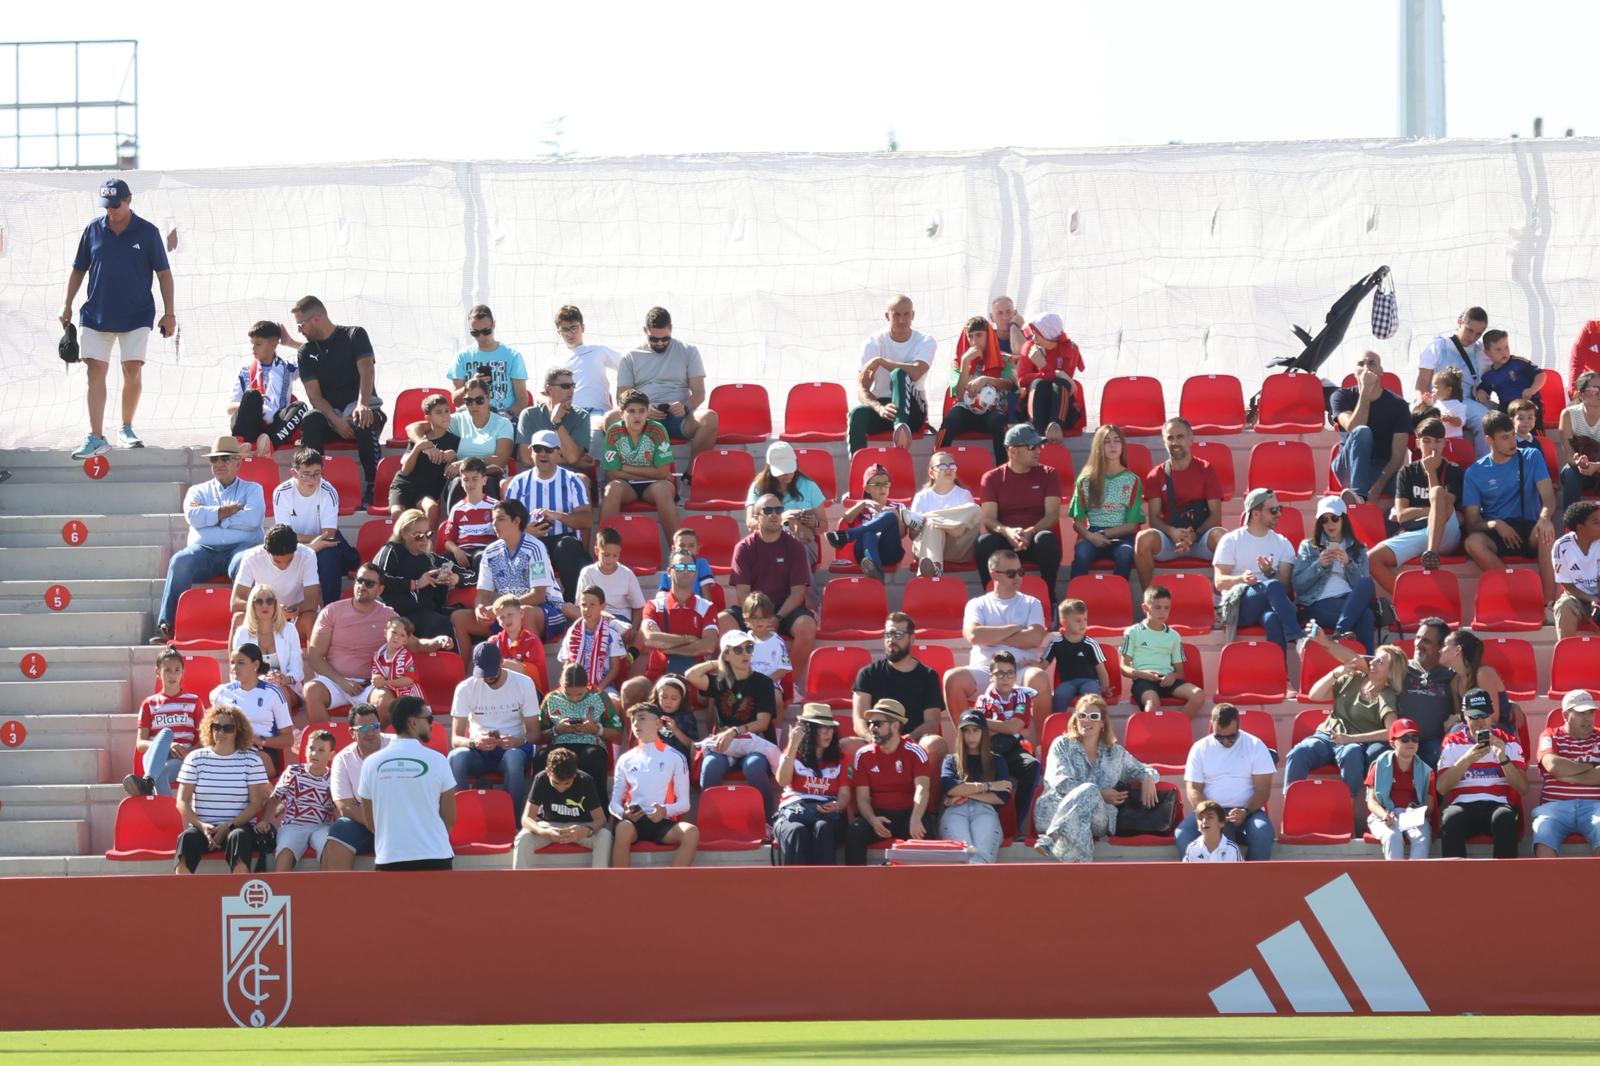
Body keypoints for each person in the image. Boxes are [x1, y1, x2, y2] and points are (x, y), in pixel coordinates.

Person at [61, 177, 174, 459]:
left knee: (132, 369)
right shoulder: (93, 229)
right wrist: (67, 305)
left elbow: (163, 273)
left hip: (137, 314)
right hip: (96, 313)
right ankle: (96, 436)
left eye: (116, 205)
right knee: (94, 371)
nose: (111, 211)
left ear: (129, 200)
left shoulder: (148, 232)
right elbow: (78, 269)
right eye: (107, 206)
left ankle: (126, 428)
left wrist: (169, 313)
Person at [150, 436, 265, 645]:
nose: (219, 464)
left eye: (225, 458)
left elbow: (253, 518)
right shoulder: (197, 490)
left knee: (247, 561)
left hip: (241, 548)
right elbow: (193, 517)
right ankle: (166, 625)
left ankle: (253, 628)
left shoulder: (253, 489)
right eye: (214, 460)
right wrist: (226, 512)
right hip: (204, 550)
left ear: (238, 462)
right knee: (179, 561)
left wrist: (213, 518)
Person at [303, 562, 450, 724]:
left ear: (380, 589)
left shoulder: (388, 615)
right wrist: (343, 682)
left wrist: (438, 641)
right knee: (311, 690)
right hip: (336, 681)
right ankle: (325, 742)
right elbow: (315, 657)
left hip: (370, 684)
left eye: (369, 583)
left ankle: (378, 745)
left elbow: (414, 644)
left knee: (385, 701)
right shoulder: (331, 611)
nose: (362, 586)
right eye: (359, 580)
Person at [286, 295, 388, 509]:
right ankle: (313, 484)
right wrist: (335, 420)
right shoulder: (306, 352)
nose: (299, 331)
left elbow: (367, 371)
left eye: (301, 325)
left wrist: (362, 404)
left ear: (316, 318)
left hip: (360, 412)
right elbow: (314, 395)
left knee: (364, 417)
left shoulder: (354, 335)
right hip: (331, 417)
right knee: (310, 419)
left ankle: (373, 486)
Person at [1034, 693, 1159, 863]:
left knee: (1089, 793)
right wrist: (1099, 793)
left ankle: (1053, 838)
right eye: (1082, 715)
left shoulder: (1115, 753)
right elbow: (1062, 784)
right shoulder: (1062, 745)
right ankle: (1082, 871)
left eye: (1093, 716)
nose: (1087, 720)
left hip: (1098, 818)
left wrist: (1148, 778)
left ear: (1102, 723)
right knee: (1087, 799)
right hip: (1052, 811)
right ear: (1075, 719)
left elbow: (1144, 769)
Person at [720, 493, 817, 691]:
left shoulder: (795, 546)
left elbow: (798, 592)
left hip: (785, 609)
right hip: (753, 608)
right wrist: (757, 619)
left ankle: (789, 685)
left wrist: (776, 618)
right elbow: (742, 592)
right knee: (723, 620)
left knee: (807, 625)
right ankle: (736, 681)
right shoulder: (744, 548)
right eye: (768, 510)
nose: (774, 515)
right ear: (755, 517)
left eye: (778, 510)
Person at [942, 549, 1049, 723]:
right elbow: (974, 635)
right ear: (994, 575)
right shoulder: (977, 604)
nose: (1018, 577)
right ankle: (966, 741)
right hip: (985, 670)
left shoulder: (1032, 602)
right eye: (1011, 573)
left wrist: (990, 635)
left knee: (1039, 678)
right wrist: (1015, 628)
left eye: (1020, 572)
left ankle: (1043, 746)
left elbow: (1035, 638)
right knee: (952, 679)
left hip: (1020, 669)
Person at [1461, 411, 1558, 603]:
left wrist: (1545, 518)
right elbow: (1472, 524)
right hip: (1497, 533)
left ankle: (1549, 604)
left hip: (1529, 527)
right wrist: (1495, 524)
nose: (1512, 441)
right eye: (1505, 437)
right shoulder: (1474, 472)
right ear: (1489, 440)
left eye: (1513, 434)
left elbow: (1548, 498)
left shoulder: (1532, 456)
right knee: (1472, 543)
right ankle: (1518, 592)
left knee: (1546, 533)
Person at [1284, 644, 1404, 798]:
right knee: (1299, 753)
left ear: (1390, 673)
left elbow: (1391, 732)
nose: (1372, 663)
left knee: (1352, 753)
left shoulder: (1387, 695)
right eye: (1374, 659)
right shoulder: (1352, 678)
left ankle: (1348, 808)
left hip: (1353, 742)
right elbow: (1315, 695)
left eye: (1380, 662)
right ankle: (1290, 803)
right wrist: (1336, 673)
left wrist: (1351, 739)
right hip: (1327, 735)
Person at [358, 695, 457, 871]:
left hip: (389, 857)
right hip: (435, 856)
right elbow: (449, 816)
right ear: (412, 722)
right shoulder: (439, 760)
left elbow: (370, 821)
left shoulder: (370, 763)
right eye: (428, 718)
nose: (432, 724)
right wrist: (434, 840)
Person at [687, 630, 781, 813]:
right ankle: (710, 820)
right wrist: (718, 662)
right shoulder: (720, 681)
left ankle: (768, 819)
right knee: (711, 766)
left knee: (753, 766)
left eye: (749, 647)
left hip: (755, 743)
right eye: (738, 650)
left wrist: (734, 731)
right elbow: (691, 675)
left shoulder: (763, 683)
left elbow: (762, 723)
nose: (745, 653)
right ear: (727, 654)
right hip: (726, 746)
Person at [458, 499, 566, 657]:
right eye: (493, 519)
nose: (494, 524)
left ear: (516, 521)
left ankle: (536, 674)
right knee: (459, 618)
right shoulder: (490, 552)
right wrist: (479, 608)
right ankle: (464, 678)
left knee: (524, 612)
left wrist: (501, 609)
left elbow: (538, 595)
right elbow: (483, 594)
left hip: (547, 610)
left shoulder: (535, 547)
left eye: (500, 519)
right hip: (505, 613)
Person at [1367, 418, 1464, 593]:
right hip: (1418, 531)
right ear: (1418, 443)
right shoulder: (1407, 471)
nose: (1432, 446)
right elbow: (1402, 514)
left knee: (1437, 493)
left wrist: (1430, 472)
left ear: (1444, 443)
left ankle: (1432, 554)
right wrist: (1433, 511)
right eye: (1426, 441)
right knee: (1371, 559)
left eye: (1437, 441)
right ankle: (1408, 599)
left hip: (1447, 533)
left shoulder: (1455, 471)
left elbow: (1445, 505)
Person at [612, 306, 719, 460]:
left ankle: (693, 474)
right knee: (611, 418)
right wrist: (644, 409)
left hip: (680, 417)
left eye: (665, 338)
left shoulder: (688, 350)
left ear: (671, 329)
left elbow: (699, 392)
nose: (660, 343)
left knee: (710, 418)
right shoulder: (630, 356)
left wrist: (684, 407)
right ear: (645, 330)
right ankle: (624, 471)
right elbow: (622, 397)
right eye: (654, 339)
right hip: (642, 418)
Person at [173, 704, 269, 874]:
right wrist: (202, 826)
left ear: (238, 731)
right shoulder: (194, 758)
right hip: (203, 827)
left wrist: (228, 826)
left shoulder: (252, 760)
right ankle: (184, 896)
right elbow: (182, 801)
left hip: (238, 827)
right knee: (186, 839)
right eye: (216, 727)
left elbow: (256, 804)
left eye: (228, 728)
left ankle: (240, 894)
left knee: (238, 837)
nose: (220, 732)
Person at [1173, 703, 1276, 861]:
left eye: (1231, 737)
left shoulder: (1255, 745)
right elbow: (1193, 789)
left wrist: (1245, 810)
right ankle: (1197, 880)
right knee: (1182, 834)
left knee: (1263, 832)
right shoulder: (1200, 748)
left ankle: (1254, 881)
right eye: (1219, 737)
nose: (1226, 742)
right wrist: (1210, 814)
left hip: (1248, 811)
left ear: (1238, 726)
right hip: (1209, 810)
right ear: (1212, 726)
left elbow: (1263, 790)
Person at [449, 642, 540, 818]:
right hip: (479, 751)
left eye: (491, 672)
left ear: (501, 662)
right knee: (455, 757)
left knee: (513, 757)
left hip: (514, 749)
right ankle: (460, 818)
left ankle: (511, 820)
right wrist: (475, 742)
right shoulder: (465, 688)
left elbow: (534, 733)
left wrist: (517, 740)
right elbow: (455, 739)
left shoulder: (523, 683)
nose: (488, 678)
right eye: (483, 674)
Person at [1133, 417, 1226, 590]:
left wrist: (1194, 535)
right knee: (1142, 539)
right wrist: (1172, 532)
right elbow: (1153, 519)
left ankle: (1220, 600)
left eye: (1180, 436)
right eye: (1170, 438)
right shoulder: (1156, 475)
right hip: (1169, 539)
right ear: (1163, 442)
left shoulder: (1206, 469)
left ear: (1191, 439)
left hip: (1200, 538)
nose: (1175, 442)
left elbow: (1215, 516)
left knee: (1223, 536)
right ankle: (1150, 600)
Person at [502, 429, 593, 602]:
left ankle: (571, 603)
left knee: (567, 546)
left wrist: (559, 516)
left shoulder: (573, 480)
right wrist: (523, 531)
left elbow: (587, 521)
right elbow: (504, 523)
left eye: (549, 450)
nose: (543, 454)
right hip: (530, 542)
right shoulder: (518, 483)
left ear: (559, 452)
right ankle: (532, 605)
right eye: (538, 449)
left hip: (564, 542)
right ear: (531, 452)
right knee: (530, 549)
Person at [1436, 687, 1528, 859]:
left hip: (1498, 804)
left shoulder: (1508, 741)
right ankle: (1454, 882)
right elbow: (1441, 787)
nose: (1480, 722)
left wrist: (1503, 757)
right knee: (1451, 819)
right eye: (1474, 717)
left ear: (1492, 715)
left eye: (1484, 716)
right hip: (1463, 805)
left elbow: (1523, 788)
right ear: (1464, 717)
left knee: (1505, 818)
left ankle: (1504, 883)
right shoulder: (1452, 742)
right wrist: (1467, 759)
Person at [976, 423, 1064, 601]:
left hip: (1035, 537)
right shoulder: (992, 478)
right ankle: (990, 596)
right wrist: (1008, 532)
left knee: (1046, 539)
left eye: (1039, 445)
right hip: (1006, 539)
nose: (1038, 451)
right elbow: (989, 519)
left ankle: (1050, 598)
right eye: (1032, 447)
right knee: (984, 543)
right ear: (1013, 451)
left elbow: (1052, 515)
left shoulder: (1049, 474)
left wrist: (1030, 532)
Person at [1214, 487, 1305, 652]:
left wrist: (1270, 572)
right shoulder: (1231, 540)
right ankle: (1297, 637)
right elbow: (1219, 582)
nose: (1279, 514)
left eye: (1280, 509)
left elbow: (1285, 586)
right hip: (1239, 606)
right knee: (1271, 585)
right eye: (1273, 510)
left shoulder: (1282, 542)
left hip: (1269, 605)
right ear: (1255, 514)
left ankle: (1281, 674)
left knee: (1273, 619)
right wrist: (1241, 579)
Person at [624, 549, 719, 705]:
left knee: (718, 693)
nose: (687, 571)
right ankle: (632, 730)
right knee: (630, 689)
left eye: (691, 567)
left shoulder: (706, 607)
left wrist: (668, 647)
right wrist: (690, 640)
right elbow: (650, 638)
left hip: (694, 678)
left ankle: (714, 731)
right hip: (658, 676)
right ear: (669, 572)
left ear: (695, 573)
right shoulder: (654, 605)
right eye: (680, 567)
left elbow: (708, 646)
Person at [844, 699, 933, 865]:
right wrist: (872, 820)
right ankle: (855, 886)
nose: (872, 728)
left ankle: (923, 888)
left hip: (910, 813)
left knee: (924, 833)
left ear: (895, 726)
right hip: (878, 815)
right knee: (855, 830)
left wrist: (915, 819)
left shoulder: (915, 751)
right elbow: (862, 797)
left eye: (877, 723)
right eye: (870, 723)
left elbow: (922, 789)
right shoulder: (863, 755)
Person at [610, 702, 698, 867]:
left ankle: (673, 886)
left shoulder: (675, 757)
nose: (636, 724)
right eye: (634, 720)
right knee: (622, 829)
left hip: (662, 820)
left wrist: (665, 810)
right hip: (634, 823)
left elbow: (684, 804)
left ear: (658, 723)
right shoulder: (625, 759)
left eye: (641, 718)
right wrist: (624, 814)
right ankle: (620, 887)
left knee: (691, 832)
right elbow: (614, 803)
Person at [853, 613, 947, 765]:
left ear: (912, 639)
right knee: (847, 746)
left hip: (912, 742)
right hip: (876, 740)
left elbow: (932, 723)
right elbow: (859, 721)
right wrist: (873, 739)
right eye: (888, 634)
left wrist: (904, 740)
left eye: (898, 634)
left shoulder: (928, 676)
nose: (892, 640)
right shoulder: (868, 674)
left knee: (936, 744)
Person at [272, 447, 361, 608]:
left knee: (329, 556)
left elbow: (330, 534)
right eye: (306, 474)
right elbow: (284, 535)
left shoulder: (328, 491)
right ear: (294, 472)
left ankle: (330, 608)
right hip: (297, 543)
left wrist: (309, 541)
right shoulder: (282, 492)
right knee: (282, 552)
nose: (312, 479)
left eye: (317, 473)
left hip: (325, 541)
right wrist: (312, 545)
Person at [847, 294, 933, 454]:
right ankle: (858, 470)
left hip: (913, 411)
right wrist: (879, 408)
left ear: (913, 315)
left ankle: (900, 427)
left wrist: (881, 361)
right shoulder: (873, 342)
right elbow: (861, 388)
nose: (902, 320)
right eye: (896, 315)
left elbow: (916, 372)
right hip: (886, 408)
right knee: (857, 414)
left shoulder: (925, 341)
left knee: (899, 373)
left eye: (906, 314)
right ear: (887, 316)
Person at [1292, 496, 1378, 653]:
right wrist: (1319, 565)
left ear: (1343, 519)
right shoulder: (1309, 546)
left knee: (1366, 584)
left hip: (1349, 599)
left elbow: (1362, 588)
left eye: (1334, 518)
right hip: (1318, 602)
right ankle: (1369, 668)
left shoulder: (1359, 549)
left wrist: (1348, 564)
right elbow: (1298, 585)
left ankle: (1341, 631)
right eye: (1324, 520)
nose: (1330, 524)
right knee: (1366, 616)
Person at [772, 703, 852, 865]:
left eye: (831, 729)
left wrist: (838, 805)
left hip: (826, 813)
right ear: (810, 730)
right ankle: (796, 886)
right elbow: (782, 781)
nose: (829, 733)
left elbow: (844, 794)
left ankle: (823, 885)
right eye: (823, 729)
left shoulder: (840, 759)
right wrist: (793, 746)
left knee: (824, 827)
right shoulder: (792, 752)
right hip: (793, 812)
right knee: (797, 831)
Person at [420, 376, 513, 513]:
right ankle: (454, 527)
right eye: (468, 401)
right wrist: (423, 444)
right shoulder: (458, 420)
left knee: (484, 484)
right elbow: (414, 427)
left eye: (479, 400)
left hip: (489, 475)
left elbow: (501, 460)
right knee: (458, 483)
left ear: (488, 398)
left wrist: (465, 463)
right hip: (461, 478)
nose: (473, 405)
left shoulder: (503, 423)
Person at [1329, 351, 1412, 503]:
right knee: (1362, 431)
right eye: (1361, 364)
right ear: (1355, 372)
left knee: (1411, 492)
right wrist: (1366, 390)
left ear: (1381, 371)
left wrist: (1378, 486)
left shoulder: (1398, 405)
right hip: (1348, 466)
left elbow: (1398, 456)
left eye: (1372, 363)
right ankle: (1359, 496)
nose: (1366, 368)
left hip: (1380, 470)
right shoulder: (1340, 396)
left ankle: (1395, 525)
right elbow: (1353, 427)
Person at [513, 746, 612, 868]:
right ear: (548, 771)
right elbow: (526, 819)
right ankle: (520, 885)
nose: (561, 788)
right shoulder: (541, 779)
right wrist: (543, 832)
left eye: (567, 783)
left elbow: (601, 819)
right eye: (556, 782)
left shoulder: (585, 780)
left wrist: (586, 830)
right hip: (549, 826)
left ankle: (600, 882)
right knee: (523, 838)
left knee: (605, 836)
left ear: (575, 774)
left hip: (580, 827)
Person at [123, 647, 204, 798]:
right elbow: (140, 744)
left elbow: (205, 740)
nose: (172, 675)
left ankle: (148, 784)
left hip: (181, 759)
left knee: (161, 774)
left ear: (182, 671)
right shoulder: (149, 704)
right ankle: (150, 781)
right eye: (167, 670)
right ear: (158, 672)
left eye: (177, 670)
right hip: (154, 758)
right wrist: (168, 745)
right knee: (166, 733)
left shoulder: (194, 701)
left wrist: (187, 753)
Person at [971, 652, 1040, 827]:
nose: (1005, 678)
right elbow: (979, 731)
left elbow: (1014, 727)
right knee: (996, 763)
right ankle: (991, 819)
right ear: (991, 676)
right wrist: (1001, 726)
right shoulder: (983, 700)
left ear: (1015, 676)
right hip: (991, 748)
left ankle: (1017, 821)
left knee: (1033, 765)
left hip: (1014, 748)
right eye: (1000, 673)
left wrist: (987, 723)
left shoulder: (1021, 696)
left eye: (1009, 673)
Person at [372, 508, 462, 642]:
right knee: (439, 624)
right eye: (419, 535)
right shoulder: (391, 550)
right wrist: (416, 583)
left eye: (428, 534)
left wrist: (455, 579)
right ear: (404, 533)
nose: (425, 539)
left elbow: (470, 575)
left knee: (456, 618)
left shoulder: (429, 558)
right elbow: (378, 580)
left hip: (422, 610)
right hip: (395, 611)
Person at [1068, 424, 1144, 579]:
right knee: (1082, 554)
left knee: (1125, 553)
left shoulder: (1132, 480)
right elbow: (1077, 522)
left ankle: (1118, 597)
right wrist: (1091, 537)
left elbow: (1132, 525)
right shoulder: (1085, 480)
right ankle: (1074, 600)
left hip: (1121, 535)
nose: (1112, 445)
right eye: (1107, 441)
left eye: (1117, 440)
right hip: (1092, 533)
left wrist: (1104, 534)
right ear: (1098, 446)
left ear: (1122, 445)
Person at [599, 389, 679, 536]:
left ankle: (680, 552)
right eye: (631, 411)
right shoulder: (613, 432)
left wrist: (625, 468)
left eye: (642, 411)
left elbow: (662, 472)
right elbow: (612, 473)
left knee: (664, 490)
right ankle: (605, 550)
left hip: (653, 487)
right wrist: (654, 474)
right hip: (627, 486)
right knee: (611, 489)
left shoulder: (657, 430)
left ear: (647, 412)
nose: (637, 416)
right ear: (622, 413)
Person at [936, 316, 1014, 463]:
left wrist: (986, 380)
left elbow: (1011, 385)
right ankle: (937, 464)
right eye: (970, 337)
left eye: (979, 335)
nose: (974, 341)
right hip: (965, 411)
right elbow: (959, 395)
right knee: (949, 421)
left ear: (989, 336)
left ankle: (1004, 470)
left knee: (999, 421)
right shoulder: (958, 363)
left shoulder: (1004, 359)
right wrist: (965, 363)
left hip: (992, 412)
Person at [321, 703, 389, 871]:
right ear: (352, 733)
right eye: (364, 728)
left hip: (401, 820)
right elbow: (345, 806)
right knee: (341, 829)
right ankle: (338, 893)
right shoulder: (343, 759)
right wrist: (378, 826)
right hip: (366, 821)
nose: (371, 733)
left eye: (374, 726)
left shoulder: (396, 746)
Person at [939, 709, 1013, 863]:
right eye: (966, 731)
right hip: (955, 811)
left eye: (976, 730)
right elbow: (951, 788)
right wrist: (990, 786)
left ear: (984, 733)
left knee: (981, 855)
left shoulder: (996, 760)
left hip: (984, 811)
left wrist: (966, 793)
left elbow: (1001, 797)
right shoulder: (951, 760)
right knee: (964, 854)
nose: (971, 736)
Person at [1415, 306, 1490, 457]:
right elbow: (1422, 381)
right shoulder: (1438, 346)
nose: (1473, 337)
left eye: (1478, 334)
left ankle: (1483, 469)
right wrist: (1422, 402)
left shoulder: (1480, 351)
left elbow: (1493, 372)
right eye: (1470, 330)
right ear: (1460, 321)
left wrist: (1484, 389)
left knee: (1487, 421)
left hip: (1464, 401)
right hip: (1436, 400)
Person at [1532, 690, 1600, 857]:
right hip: (1554, 807)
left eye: (1591, 712)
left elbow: (1560, 770)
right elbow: (1553, 765)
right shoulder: (1551, 735)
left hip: (1595, 806)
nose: (1588, 718)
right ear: (1565, 715)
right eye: (1581, 713)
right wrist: (1591, 766)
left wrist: (1568, 775)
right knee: (1543, 830)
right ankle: (1548, 883)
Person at [213, 642, 295, 778]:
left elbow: (288, 739)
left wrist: (260, 741)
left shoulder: (272, 693)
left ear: (255, 665)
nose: (234, 668)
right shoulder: (223, 693)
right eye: (232, 663)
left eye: (241, 663)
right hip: (230, 749)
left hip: (262, 751)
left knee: (248, 766)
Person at [229, 523, 321, 642]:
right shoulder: (251, 556)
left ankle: (315, 660)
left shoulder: (307, 555)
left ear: (296, 548)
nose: (284, 566)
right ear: (267, 552)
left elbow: (312, 601)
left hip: (296, 616)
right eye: (278, 561)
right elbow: (236, 602)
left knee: (310, 619)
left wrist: (290, 610)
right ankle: (236, 660)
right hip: (264, 616)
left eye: (289, 560)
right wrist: (273, 610)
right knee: (239, 618)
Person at [1120, 584, 1203, 716]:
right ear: (1145, 608)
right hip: (1143, 681)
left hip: (1168, 680)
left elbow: (1180, 672)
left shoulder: (1174, 636)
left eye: (1166, 608)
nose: (1162, 612)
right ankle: (1156, 735)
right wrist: (1142, 674)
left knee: (1198, 695)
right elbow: (1123, 667)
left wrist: (1172, 676)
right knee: (1152, 703)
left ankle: (1175, 730)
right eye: (1157, 607)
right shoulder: (1132, 632)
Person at [260, 729, 337, 871]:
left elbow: (338, 807)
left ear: (331, 755)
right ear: (305, 749)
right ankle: (280, 890)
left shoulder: (335, 778)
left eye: (321, 750)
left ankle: (328, 890)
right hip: (293, 825)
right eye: (311, 748)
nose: (314, 754)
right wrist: (265, 820)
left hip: (322, 827)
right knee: (285, 852)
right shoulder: (293, 771)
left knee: (330, 848)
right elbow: (276, 798)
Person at [228, 321, 305, 458]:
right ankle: (240, 446)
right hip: (251, 425)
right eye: (251, 343)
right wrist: (252, 404)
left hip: (276, 426)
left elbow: (316, 354)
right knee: (252, 395)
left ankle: (268, 446)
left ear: (274, 343)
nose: (253, 348)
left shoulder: (288, 368)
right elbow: (230, 408)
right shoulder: (244, 372)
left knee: (301, 407)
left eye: (258, 344)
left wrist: (290, 342)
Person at [552, 304, 619, 459]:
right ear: (559, 332)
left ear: (583, 327)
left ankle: (601, 483)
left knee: (595, 435)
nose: (570, 333)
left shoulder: (598, 350)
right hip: (567, 414)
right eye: (565, 329)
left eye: (574, 327)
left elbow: (629, 364)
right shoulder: (554, 360)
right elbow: (543, 393)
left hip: (596, 412)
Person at [537, 663, 621, 786]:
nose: (574, 699)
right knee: (542, 757)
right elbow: (539, 737)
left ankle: (596, 802)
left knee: (592, 757)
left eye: (579, 694)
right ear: (561, 684)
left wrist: (596, 729)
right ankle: (544, 802)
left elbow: (618, 735)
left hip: (591, 744)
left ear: (587, 685)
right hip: (560, 745)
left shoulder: (599, 697)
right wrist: (556, 730)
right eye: (569, 694)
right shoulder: (551, 699)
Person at [746, 441, 827, 568]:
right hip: (767, 542)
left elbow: (823, 526)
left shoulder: (809, 486)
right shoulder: (758, 487)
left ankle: (800, 587)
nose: (787, 474)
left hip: (802, 541)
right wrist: (780, 518)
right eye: (782, 471)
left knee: (797, 552)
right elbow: (750, 524)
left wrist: (813, 523)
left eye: (790, 469)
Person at [826, 462, 912, 581]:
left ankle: (848, 535)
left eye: (885, 484)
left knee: (890, 515)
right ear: (867, 488)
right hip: (864, 552)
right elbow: (846, 519)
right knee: (868, 533)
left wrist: (897, 517)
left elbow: (902, 534)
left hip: (889, 551)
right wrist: (864, 503)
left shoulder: (897, 506)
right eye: (877, 484)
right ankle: (876, 574)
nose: (882, 488)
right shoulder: (863, 507)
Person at [1364, 718, 1434, 860]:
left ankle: (1414, 881)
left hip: (1412, 814)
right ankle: (1396, 880)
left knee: (1422, 837)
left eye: (1415, 738)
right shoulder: (1379, 765)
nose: (1411, 743)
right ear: (1392, 743)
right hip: (1384, 813)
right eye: (1405, 738)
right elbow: (1371, 801)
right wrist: (1384, 815)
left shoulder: (1426, 770)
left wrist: (1417, 812)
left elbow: (1430, 805)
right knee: (1392, 836)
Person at [909, 451, 982, 578]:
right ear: (931, 473)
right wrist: (939, 524)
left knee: (975, 509)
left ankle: (928, 518)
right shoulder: (922, 497)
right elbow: (912, 535)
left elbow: (963, 529)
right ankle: (935, 567)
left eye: (952, 466)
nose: (948, 469)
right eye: (942, 466)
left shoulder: (964, 495)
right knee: (932, 525)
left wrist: (925, 518)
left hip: (956, 548)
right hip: (927, 547)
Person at [448, 304, 527, 419]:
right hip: (471, 419)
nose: (481, 337)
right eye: (475, 333)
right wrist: (469, 385)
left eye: (486, 331)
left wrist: (508, 415)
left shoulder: (512, 356)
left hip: (502, 419)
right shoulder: (462, 356)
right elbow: (456, 401)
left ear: (494, 324)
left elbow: (522, 399)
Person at [1015, 312, 1084, 441]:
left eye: (1037, 334)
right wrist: (1051, 372)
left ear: (1049, 334)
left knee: (1060, 383)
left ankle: (1055, 429)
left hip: (1064, 412)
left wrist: (1044, 366)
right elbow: (1022, 380)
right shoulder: (1030, 347)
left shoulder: (1070, 349)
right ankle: (1038, 434)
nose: (1034, 339)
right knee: (1039, 383)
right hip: (1034, 409)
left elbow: (1064, 382)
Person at [390, 394, 459, 521]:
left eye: (447, 411)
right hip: (405, 486)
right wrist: (419, 448)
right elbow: (405, 470)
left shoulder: (454, 441)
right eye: (439, 412)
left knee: (432, 508)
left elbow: (449, 472)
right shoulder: (421, 437)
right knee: (397, 513)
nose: (445, 415)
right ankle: (399, 541)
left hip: (427, 491)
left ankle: (428, 540)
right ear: (428, 418)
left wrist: (452, 458)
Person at [235, 584, 305, 707]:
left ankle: (287, 727)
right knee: (265, 694)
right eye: (259, 601)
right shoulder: (243, 633)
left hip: (286, 687)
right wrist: (260, 679)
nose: (264, 605)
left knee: (277, 692)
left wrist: (284, 679)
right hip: (253, 687)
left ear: (275, 604)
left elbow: (298, 670)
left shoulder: (289, 630)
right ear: (252, 605)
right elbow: (238, 670)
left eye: (269, 601)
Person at [576, 526, 647, 639]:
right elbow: (580, 604)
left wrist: (634, 628)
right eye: (606, 555)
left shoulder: (627, 574)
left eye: (615, 555)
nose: (610, 560)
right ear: (596, 551)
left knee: (612, 634)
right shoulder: (587, 573)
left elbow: (639, 607)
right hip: (594, 616)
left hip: (620, 618)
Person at [516, 365, 592, 471]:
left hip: (568, 476)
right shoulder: (529, 415)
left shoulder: (581, 416)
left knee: (583, 479)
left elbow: (572, 457)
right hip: (535, 475)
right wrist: (564, 458)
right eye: (565, 386)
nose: (571, 390)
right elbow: (527, 458)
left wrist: (557, 423)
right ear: (549, 388)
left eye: (572, 386)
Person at [558, 587, 628, 696]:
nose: (587, 609)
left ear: (603, 606)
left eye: (592, 605)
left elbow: (615, 668)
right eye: (584, 605)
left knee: (614, 702)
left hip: (603, 685)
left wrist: (598, 688)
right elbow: (567, 665)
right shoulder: (571, 634)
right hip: (574, 687)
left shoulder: (611, 634)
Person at [1044, 598, 1111, 711]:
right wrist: (1033, 664)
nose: (1083, 624)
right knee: (1060, 694)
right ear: (1064, 623)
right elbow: (1044, 663)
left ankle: (1095, 722)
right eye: (1078, 621)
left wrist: (1105, 687)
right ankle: (1058, 724)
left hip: (1089, 681)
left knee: (1091, 695)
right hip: (1067, 683)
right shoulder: (1056, 643)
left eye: (1085, 620)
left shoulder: (1091, 643)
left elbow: (1100, 668)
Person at [438, 457, 497, 578]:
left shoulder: (495, 506)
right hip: (462, 553)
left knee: (481, 559)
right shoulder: (457, 509)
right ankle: (442, 596)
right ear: (461, 482)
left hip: (484, 551)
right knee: (441, 564)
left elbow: (503, 535)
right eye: (466, 480)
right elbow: (448, 541)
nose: (470, 484)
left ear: (484, 480)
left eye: (475, 479)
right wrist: (456, 551)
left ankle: (477, 591)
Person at [1477, 329, 1547, 426]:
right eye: (1498, 349)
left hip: (1529, 404)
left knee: (1529, 419)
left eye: (1506, 347)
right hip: (1507, 409)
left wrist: (1532, 390)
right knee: (1497, 423)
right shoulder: (1488, 375)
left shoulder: (1518, 362)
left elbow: (1541, 375)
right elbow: (1484, 388)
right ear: (1487, 352)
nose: (1504, 352)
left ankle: (1536, 440)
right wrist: (1481, 391)